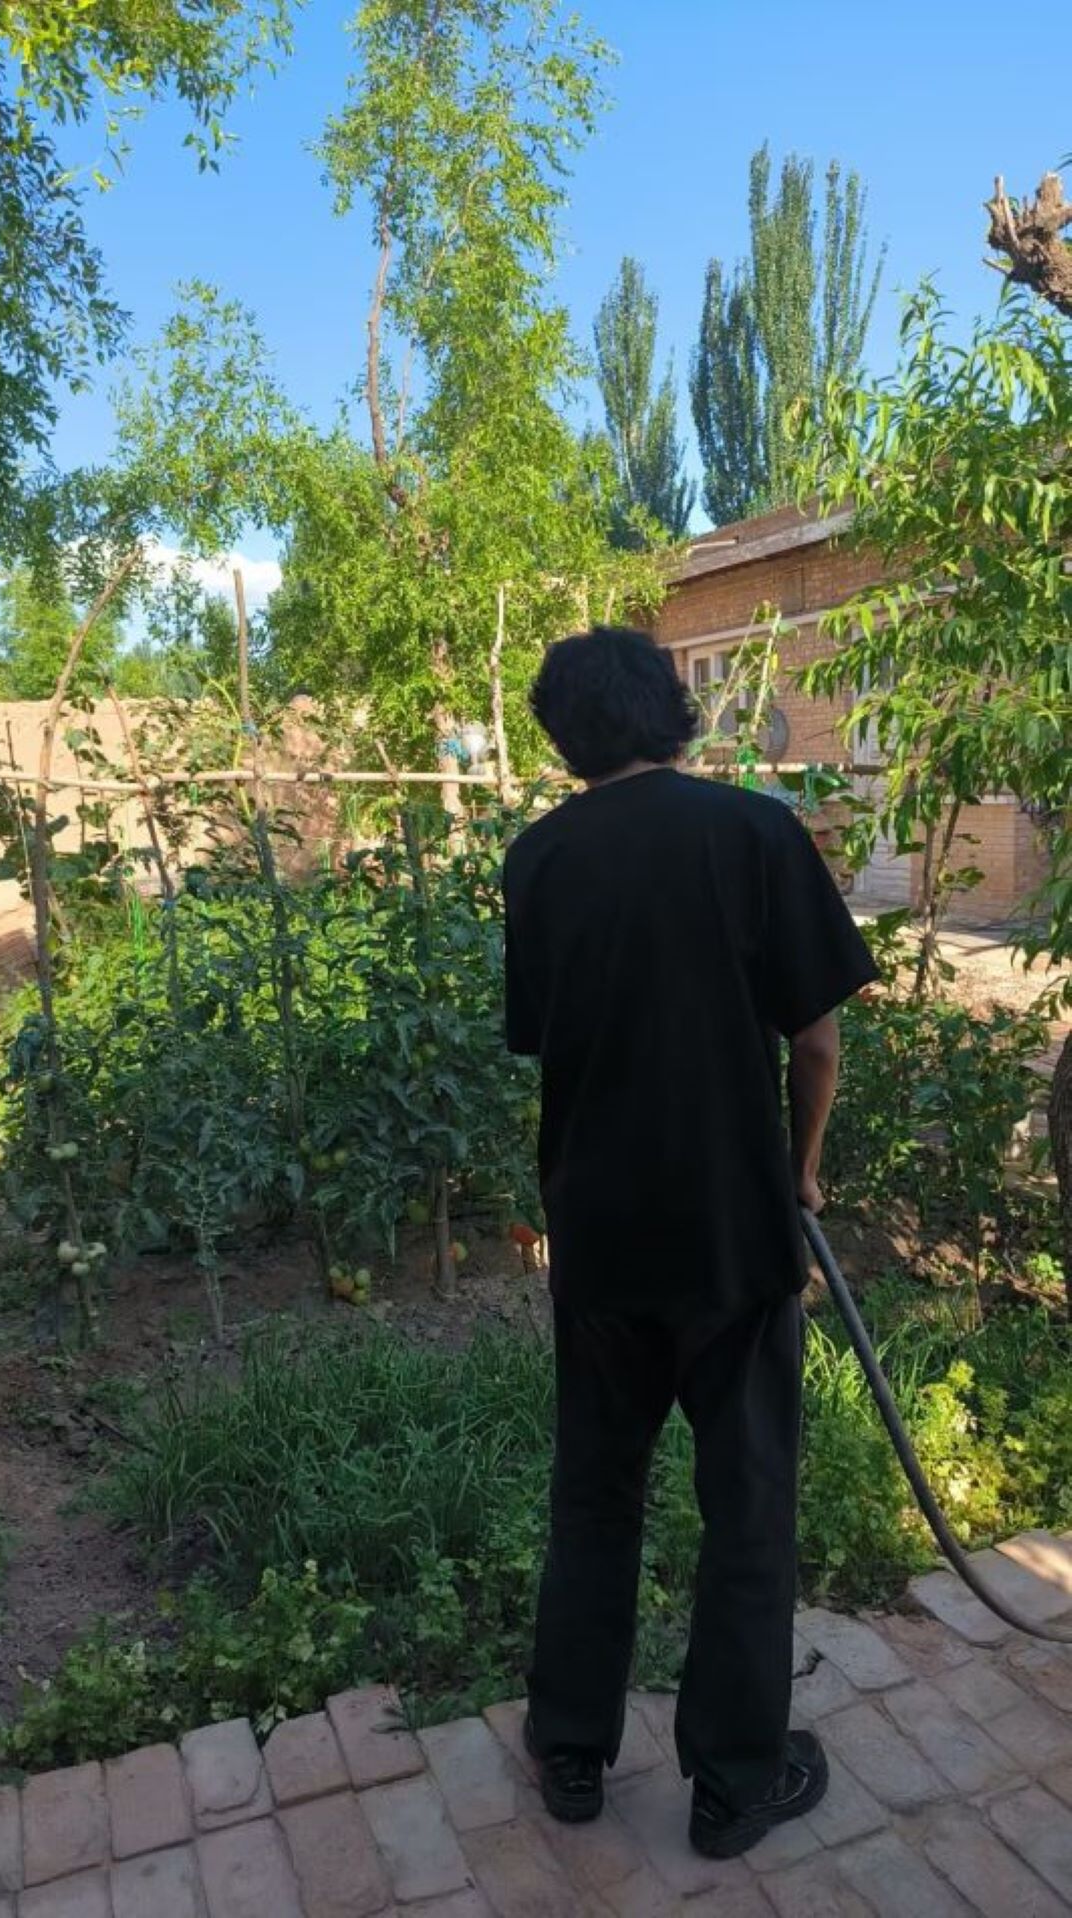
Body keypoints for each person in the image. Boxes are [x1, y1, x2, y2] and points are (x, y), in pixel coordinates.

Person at [503, 625, 878, 1860]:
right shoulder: (755, 832)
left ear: (564, 735)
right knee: (748, 1506)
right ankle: (732, 1784)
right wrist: (802, 1171)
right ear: (674, 709)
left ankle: (570, 1750)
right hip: (733, 1236)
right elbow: (814, 1041)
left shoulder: (538, 859)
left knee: (595, 1492)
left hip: (601, 1237)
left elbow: (549, 1038)